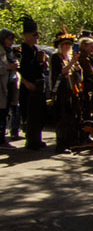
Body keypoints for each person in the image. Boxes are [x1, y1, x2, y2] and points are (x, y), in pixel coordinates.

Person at [18, 17, 47, 150]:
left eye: (38, 34)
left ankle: (37, 138)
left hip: (39, 84)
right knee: (29, 114)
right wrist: (25, 83)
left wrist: (43, 62)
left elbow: (40, 68)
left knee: (39, 114)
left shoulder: (36, 49)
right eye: (34, 34)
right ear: (26, 35)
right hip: (27, 86)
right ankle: (31, 140)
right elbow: (18, 70)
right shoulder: (21, 51)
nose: (37, 37)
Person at [50, 30, 81, 152]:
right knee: (62, 118)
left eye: (69, 44)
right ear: (60, 46)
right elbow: (61, 72)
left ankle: (69, 142)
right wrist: (72, 63)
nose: (67, 46)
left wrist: (77, 67)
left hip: (71, 91)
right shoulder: (55, 58)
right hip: (61, 92)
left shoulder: (69, 58)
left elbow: (77, 75)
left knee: (71, 117)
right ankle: (60, 145)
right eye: (65, 44)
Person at [0, 29, 20, 148]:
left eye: (13, 39)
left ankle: (2, 138)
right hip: (1, 87)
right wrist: (7, 67)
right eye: (9, 39)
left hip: (9, 86)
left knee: (6, 113)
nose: (12, 42)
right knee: (1, 114)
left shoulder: (10, 52)